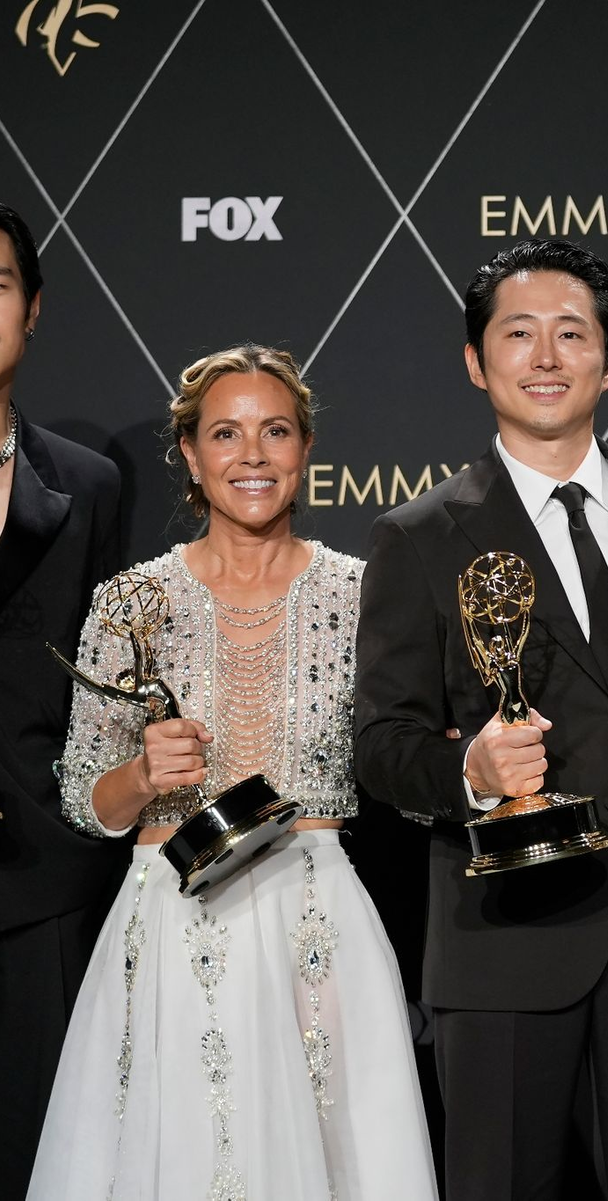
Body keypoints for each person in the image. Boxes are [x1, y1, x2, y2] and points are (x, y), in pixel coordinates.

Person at [355, 239, 608, 1198]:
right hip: (504, 933)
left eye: (573, 333)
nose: (548, 355)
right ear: (478, 362)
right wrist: (472, 770)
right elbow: (382, 747)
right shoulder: (419, 535)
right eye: (519, 334)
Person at [26, 345, 436, 1200]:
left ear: (307, 447)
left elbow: (407, 753)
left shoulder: (365, 595)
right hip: (173, 922)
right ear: (190, 454)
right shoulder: (132, 602)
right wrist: (141, 776)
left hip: (317, 925)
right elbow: (82, 796)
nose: (252, 454)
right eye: (226, 433)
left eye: (274, 430)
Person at [0, 201, 123, 1196]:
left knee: (46, 1155)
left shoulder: (86, 484)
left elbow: (113, 688)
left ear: (32, 310)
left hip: (40, 873)